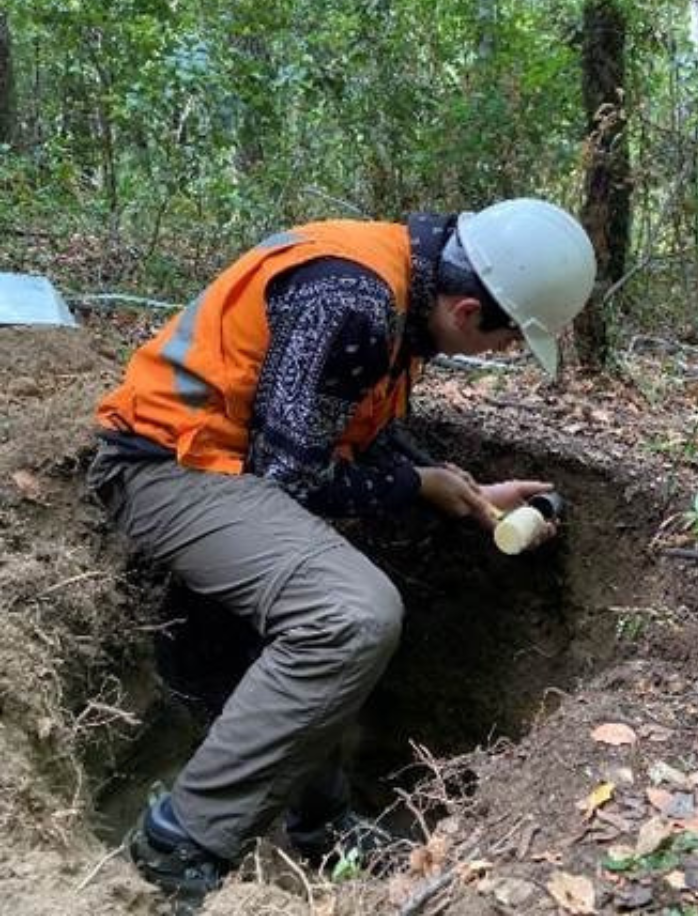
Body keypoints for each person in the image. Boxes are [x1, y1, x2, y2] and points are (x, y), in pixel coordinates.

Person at [88, 197, 595, 907]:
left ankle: (321, 826)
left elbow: (342, 420)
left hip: (223, 465)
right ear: (470, 311)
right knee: (351, 613)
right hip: (168, 466)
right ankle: (181, 843)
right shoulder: (353, 300)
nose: (504, 355)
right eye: (510, 342)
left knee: (331, 614)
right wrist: (417, 484)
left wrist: (460, 486)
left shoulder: (397, 287)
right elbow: (291, 473)